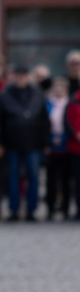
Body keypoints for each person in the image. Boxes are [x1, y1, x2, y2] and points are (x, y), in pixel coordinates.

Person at [0, 65, 50, 222]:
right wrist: (1, 141)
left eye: (23, 75)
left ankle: (31, 210)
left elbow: (44, 120)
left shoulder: (37, 94)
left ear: (28, 76)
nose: (20, 79)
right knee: (13, 177)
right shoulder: (5, 95)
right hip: (11, 143)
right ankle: (14, 209)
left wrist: (45, 142)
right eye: (18, 75)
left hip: (33, 142)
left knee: (33, 177)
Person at [45, 77, 71, 220]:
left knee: (66, 179)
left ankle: (66, 208)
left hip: (67, 144)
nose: (58, 90)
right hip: (51, 144)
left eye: (61, 88)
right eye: (56, 87)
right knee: (51, 179)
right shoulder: (47, 103)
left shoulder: (70, 103)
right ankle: (50, 207)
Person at [64, 82, 80, 220]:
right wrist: (76, 134)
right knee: (77, 181)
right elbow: (68, 120)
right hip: (76, 147)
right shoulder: (74, 100)